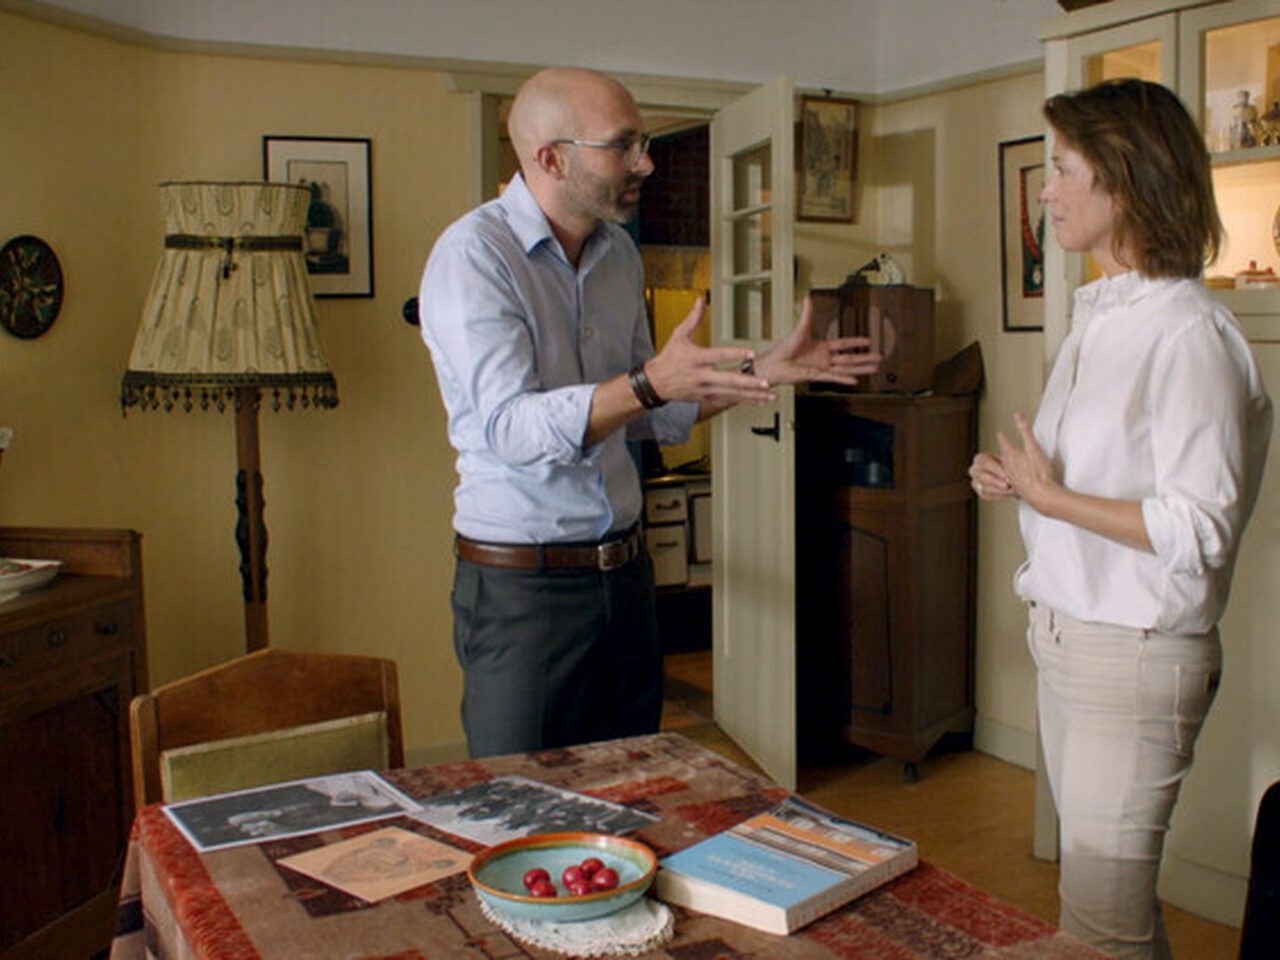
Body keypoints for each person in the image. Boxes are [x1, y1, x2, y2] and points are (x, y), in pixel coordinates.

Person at [418, 67, 879, 759]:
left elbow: (649, 412)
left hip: (626, 578)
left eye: (644, 143)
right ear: (550, 158)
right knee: (524, 796)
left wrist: (758, 373)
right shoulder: (474, 256)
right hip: (523, 589)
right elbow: (509, 429)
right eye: (623, 145)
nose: (646, 163)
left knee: (635, 786)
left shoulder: (618, 258)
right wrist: (647, 382)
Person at [969, 78, 1272, 959]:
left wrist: (1055, 498)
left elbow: (1200, 527)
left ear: (1126, 178)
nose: (1047, 192)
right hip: (1070, 639)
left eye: (1064, 168)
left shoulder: (1189, 334)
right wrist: (1024, 483)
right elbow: (1104, 483)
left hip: (1132, 655)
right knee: (1107, 918)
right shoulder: (1100, 314)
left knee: (1099, 928)